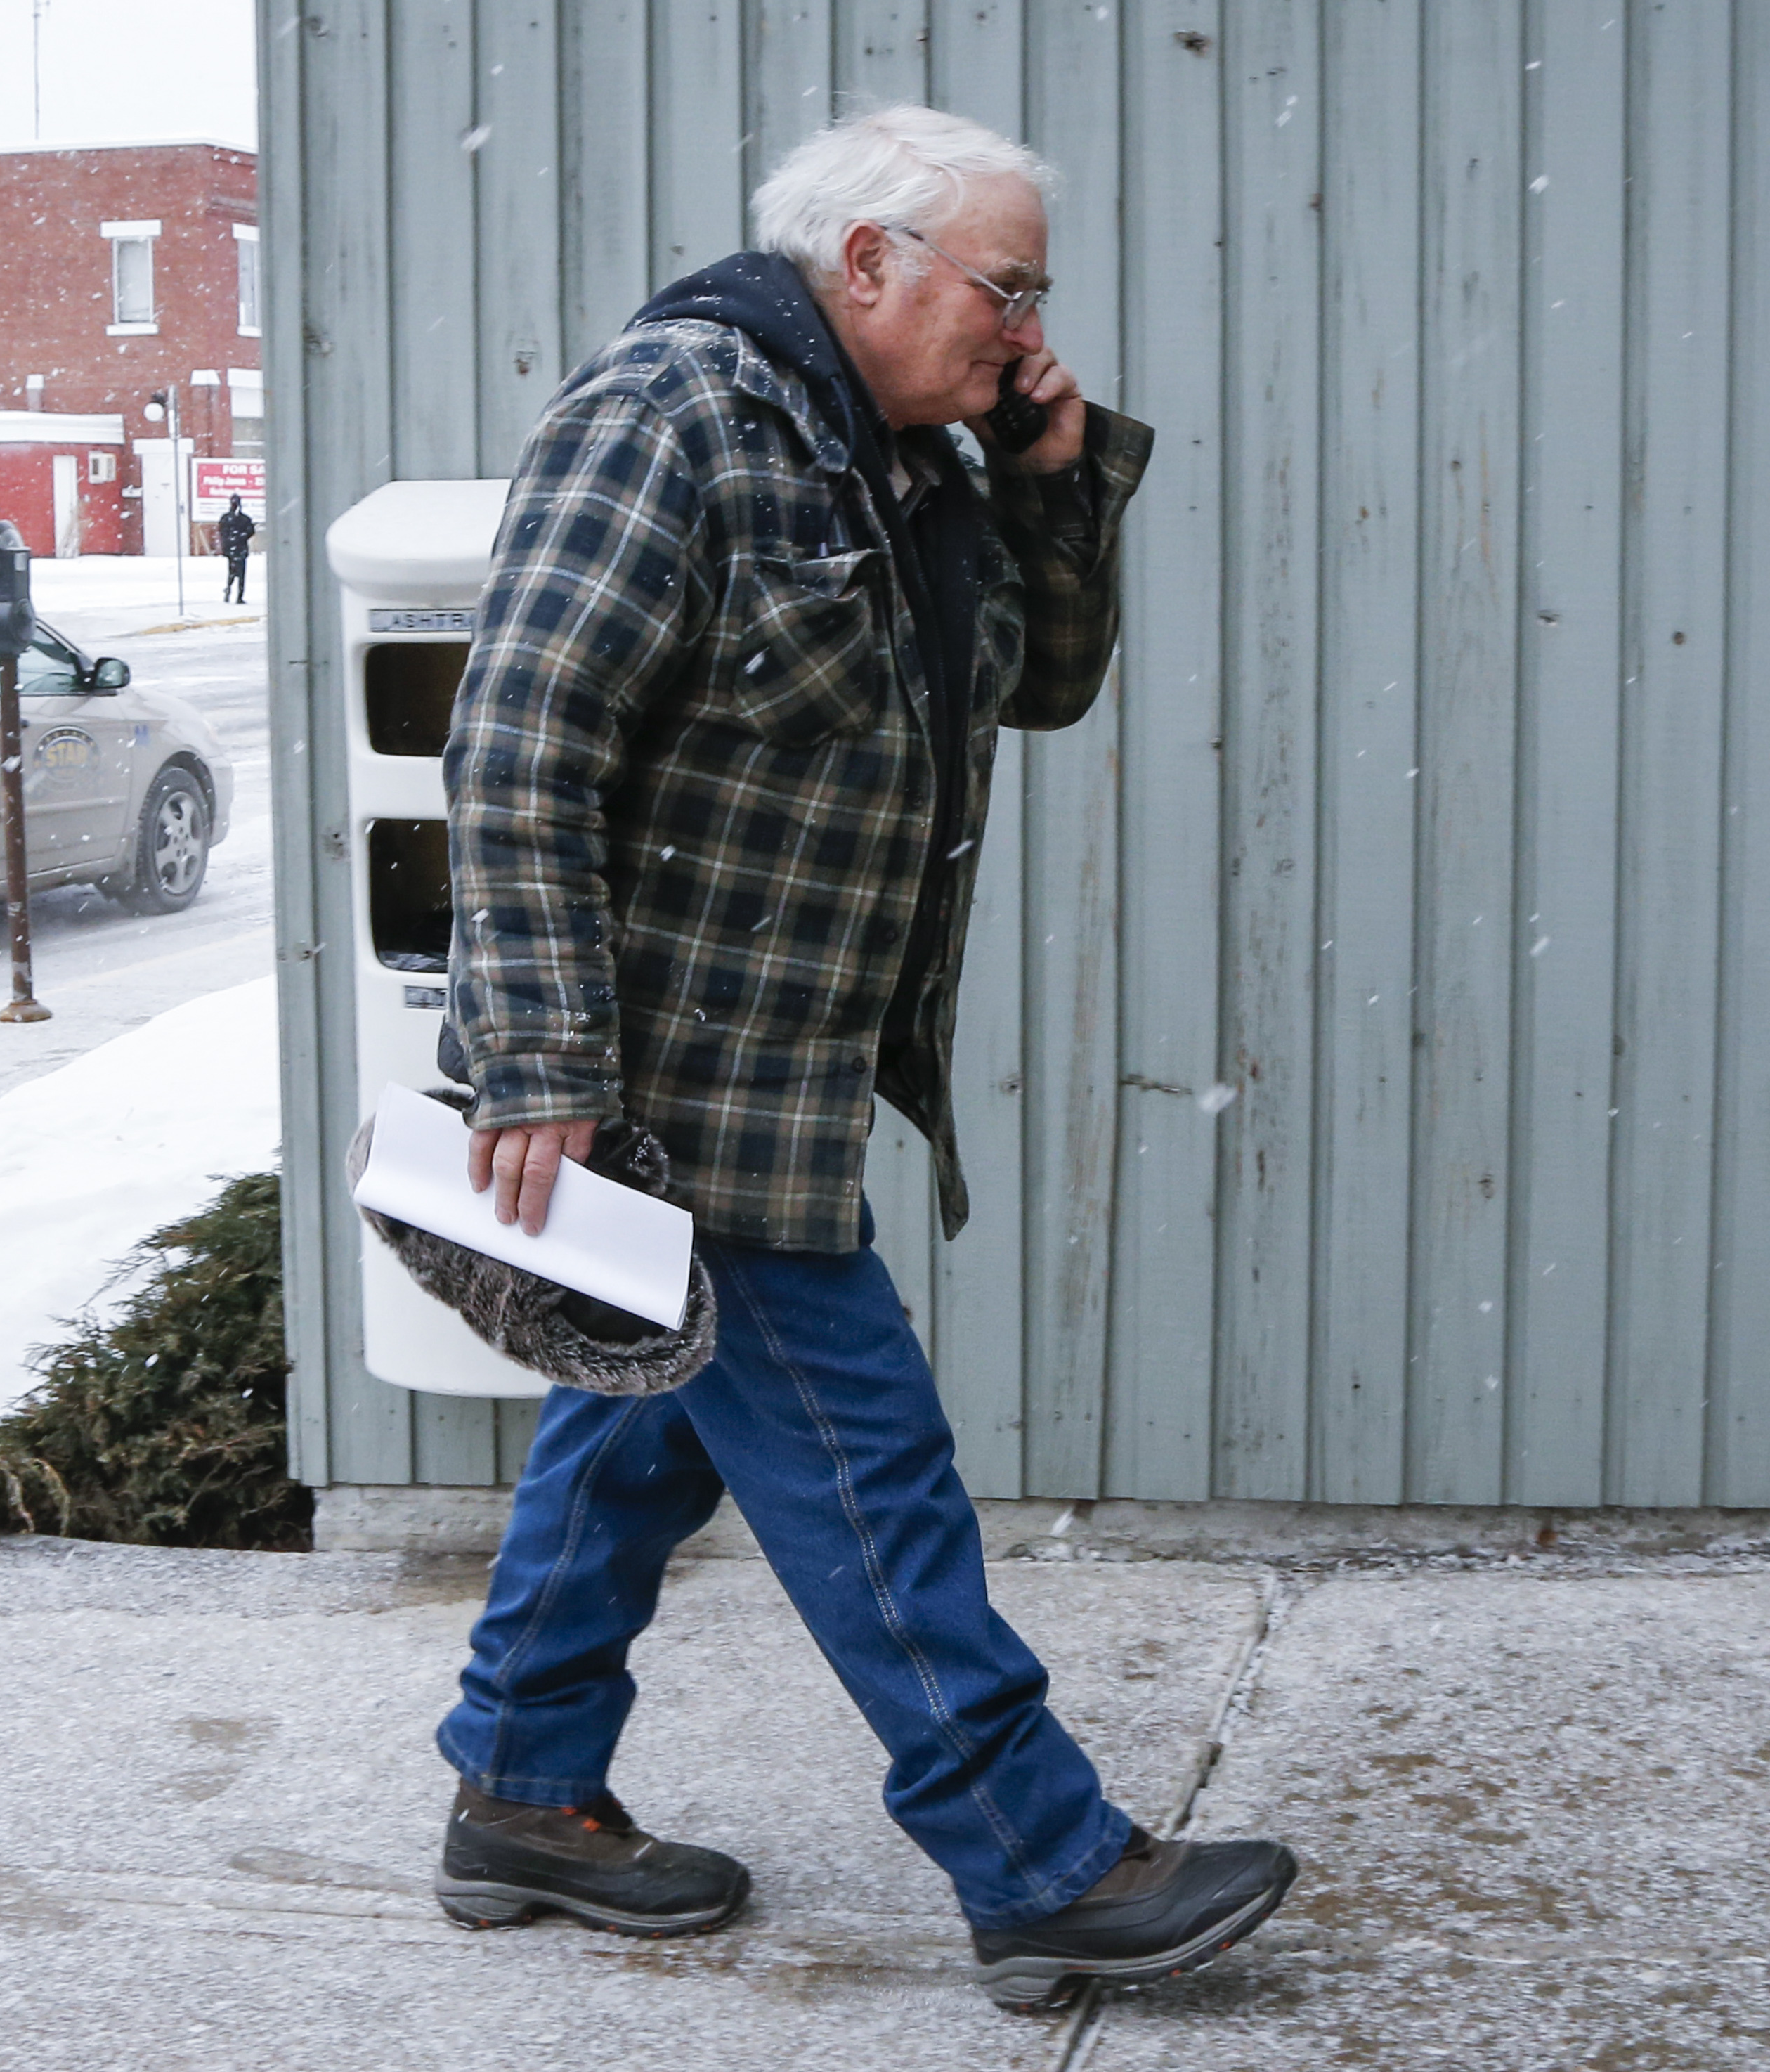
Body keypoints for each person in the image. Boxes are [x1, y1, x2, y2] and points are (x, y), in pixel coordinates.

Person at [429, 106, 1299, 2009]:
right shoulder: (675, 415)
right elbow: (518, 739)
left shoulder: (907, 460)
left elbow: (1042, 683)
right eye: (1008, 284)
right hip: (675, 1074)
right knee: (862, 1460)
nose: (1025, 322)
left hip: (786, 1054)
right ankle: (1043, 1857)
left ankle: (520, 1785)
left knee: (640, 1426)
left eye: (1039, 291)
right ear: (871, 262)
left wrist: (1049, 470)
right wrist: (545, 1054)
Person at [216, 493, 255, 602]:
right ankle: (239, 596)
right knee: (241, 573)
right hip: (240, 548)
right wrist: (241, 538)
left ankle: (229, 589)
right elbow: (250, 532)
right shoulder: (245, 519)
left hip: (231, 549)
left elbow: (222, 532)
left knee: (232, 570)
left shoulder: (226, 518)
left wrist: (228, 543)